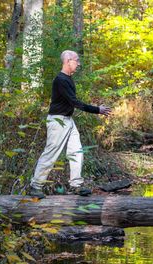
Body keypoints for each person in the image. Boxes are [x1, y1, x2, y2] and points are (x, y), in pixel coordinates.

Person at [29, 50, 111, 199]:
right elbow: (74, 102)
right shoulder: (60, 80)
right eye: (76, 60)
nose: (78, 64)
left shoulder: (68, 78)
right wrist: (97, 110)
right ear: (67, 61)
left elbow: (72, 102)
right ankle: (36, 186)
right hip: (58, 121)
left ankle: (76, 185)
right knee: (51, 153)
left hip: (67, 120)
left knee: (76, 151)